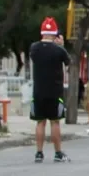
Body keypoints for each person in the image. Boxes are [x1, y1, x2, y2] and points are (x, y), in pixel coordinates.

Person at [29, 17, 72, 163]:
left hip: (38, 91)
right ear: (55, 34)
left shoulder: (34, 48)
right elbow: (68, 64)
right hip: (55, 92)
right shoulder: (59, 50)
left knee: (40, 122)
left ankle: (39, 153)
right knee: (55, 122)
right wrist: (62, 45)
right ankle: (58, 153)